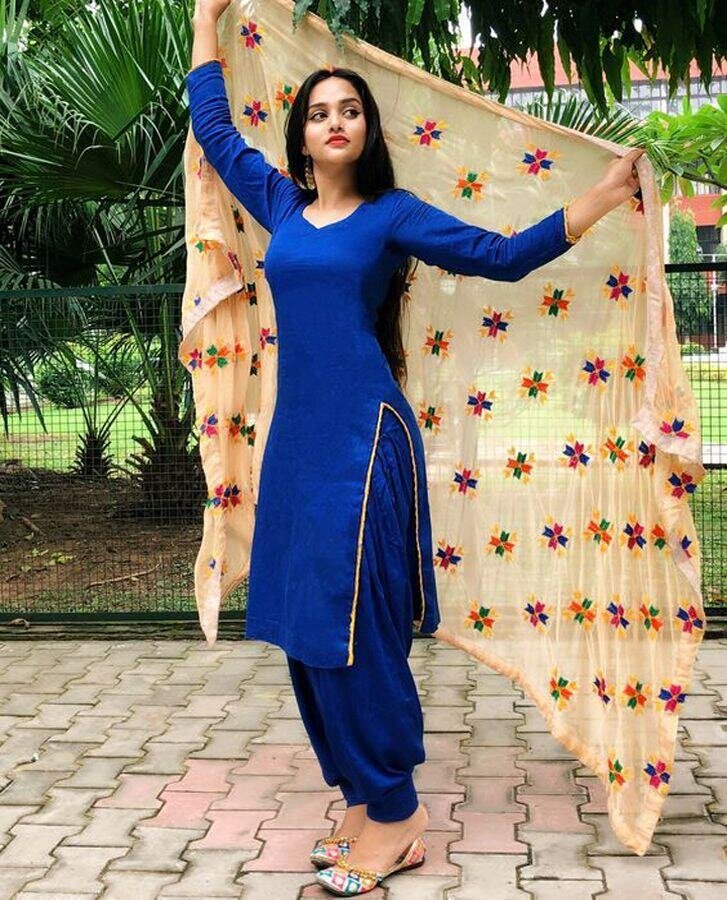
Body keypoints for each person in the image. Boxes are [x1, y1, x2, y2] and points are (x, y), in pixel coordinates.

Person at [188, 0, 643, 893]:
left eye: (349, 110)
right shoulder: (279, 203)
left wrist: (599, 197)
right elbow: (214, 129)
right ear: (301, 133)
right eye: (319, 112)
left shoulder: (390, 215)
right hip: (297, 445)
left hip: (364, 440)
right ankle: (361, 798)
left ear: (367, 129)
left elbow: (500, 256)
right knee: (302, 626)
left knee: (353, 626)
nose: (334, 122)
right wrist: (206, 19)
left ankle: (397, 817)